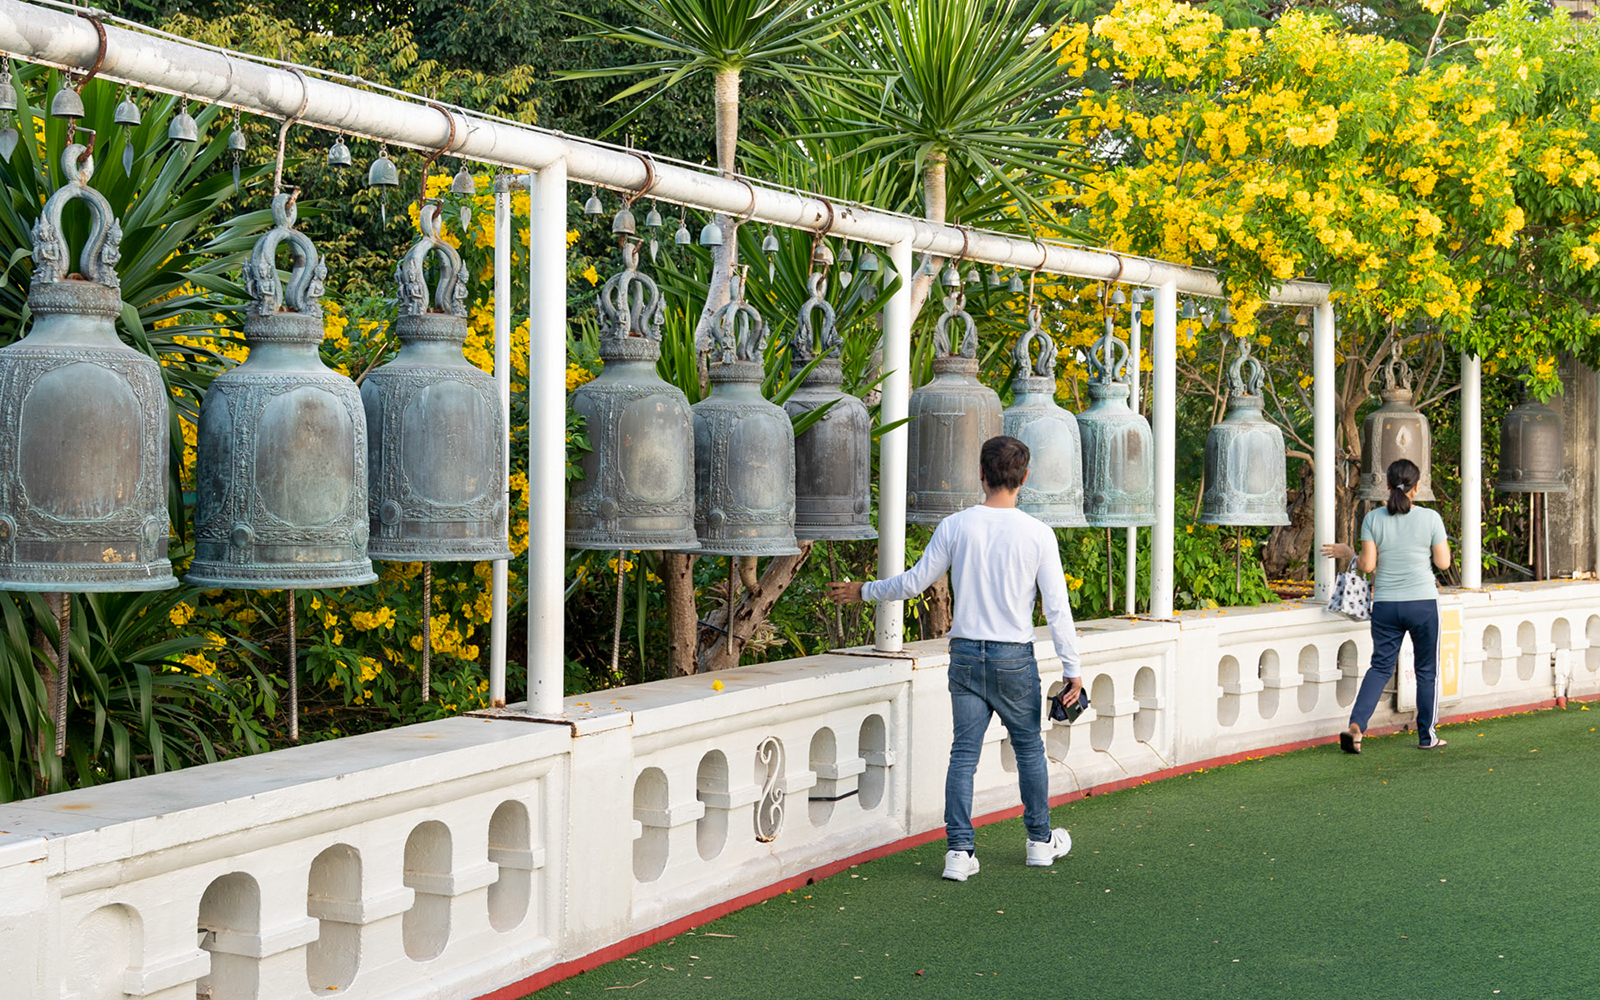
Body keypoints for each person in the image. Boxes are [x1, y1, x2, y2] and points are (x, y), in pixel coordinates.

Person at [827, 435, 1080, 882]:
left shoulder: (956, 526)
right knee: (1029, 750)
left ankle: (959, 853)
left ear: (980, 475)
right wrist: (1072, 670)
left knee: (964, 754)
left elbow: (913, 582)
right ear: (1024, 478)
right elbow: (1057, 609)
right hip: (1013, 659)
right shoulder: (1039, 534)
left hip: (965, 655)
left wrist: (862, 591)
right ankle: (1040, 842)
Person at [1320, 458, 1452, 753]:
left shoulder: (1373, 519)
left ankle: (1356, 727)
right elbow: (1443, 562)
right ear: (1417, 488)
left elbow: (1367, 566)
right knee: (1426, 671)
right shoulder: (1430, 519)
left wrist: (1349, 553)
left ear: (1388, 486)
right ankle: (1426, 737)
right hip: (1422, 604)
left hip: (1386, 605)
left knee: (1380, 667)